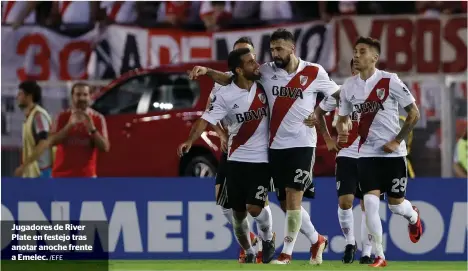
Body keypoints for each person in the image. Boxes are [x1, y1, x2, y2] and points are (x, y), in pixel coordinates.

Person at [188, 28, 340, 265]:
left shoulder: (314, 71)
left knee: (292, 199)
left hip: (302, 144)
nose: (274, 53)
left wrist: (321, 112)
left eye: (279, 48)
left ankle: (286, 253)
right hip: (275, 147)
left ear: (292, 48)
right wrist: (207, 71)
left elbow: (337, 94)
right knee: (284, 203)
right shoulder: (266, 72)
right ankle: (316, 239)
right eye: (272, 49)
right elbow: (233, 78)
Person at [178, 37, 273, 264]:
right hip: (235, 158)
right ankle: (249, 251)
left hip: (262, 159)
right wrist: (190, 141)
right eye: (250, 61)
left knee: (256, 207)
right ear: (239, 69)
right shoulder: (223, 94)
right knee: (236, 215)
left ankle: (268, 238)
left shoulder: (266, 81)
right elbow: (204, 119)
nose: (256, 64)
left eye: (254, 57)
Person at [336, 37, 423, 267]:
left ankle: (413, 215)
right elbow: (343, 118)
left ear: (374, 57)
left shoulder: (389, 81)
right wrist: (342, 130)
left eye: (362, 51)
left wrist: (396, 141)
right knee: (370, 204)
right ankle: (379, 255)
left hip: (393, 155)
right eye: (354, 51)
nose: (356, 55)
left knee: (396, 206)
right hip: (366, 154)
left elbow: (414, 114)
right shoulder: (348, 86)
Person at [306, 59, 377, 264]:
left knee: (368, 205)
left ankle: (367, 252)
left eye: (361, 67)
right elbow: (318, 113)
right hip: (346, 154)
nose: (357, 71)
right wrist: (328, 138)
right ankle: (350, 242)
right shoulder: (342, 91)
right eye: (354, 68)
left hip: (370, 155)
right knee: (344, 202)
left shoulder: (379, 92)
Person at [21, 82, 110, 177]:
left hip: (87, 176)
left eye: (85, 94)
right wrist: (69, 126)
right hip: (62, 175)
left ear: (90, 97)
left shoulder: (98, 118)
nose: (82, 98)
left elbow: (105, 147)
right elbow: (50, 142)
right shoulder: (62, 116)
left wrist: (92, 129)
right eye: (78, 94)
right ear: (72, 96)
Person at [14, 81, 54, 178]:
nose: (17, 97)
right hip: (33, 172)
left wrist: (24, 165)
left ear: (29, 96)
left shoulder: (38, 116)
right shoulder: (29, 116)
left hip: (41, 172)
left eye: (20, 94)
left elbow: (43, 143)